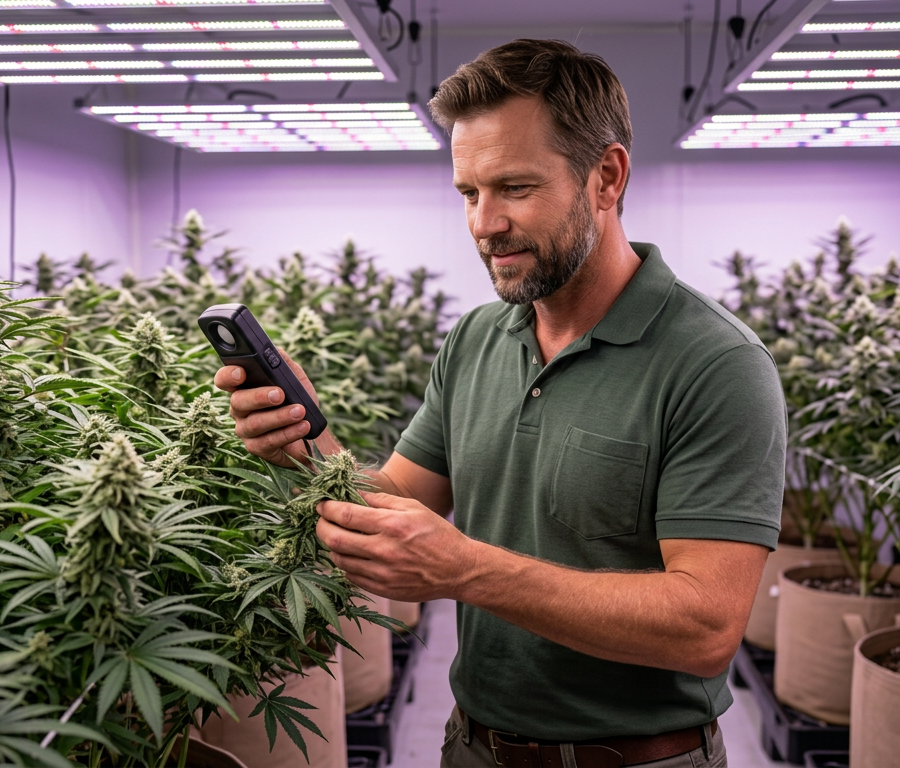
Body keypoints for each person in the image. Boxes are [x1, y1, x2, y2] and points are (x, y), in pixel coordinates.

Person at [215, 39, 786, 768]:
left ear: (606, 177)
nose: (484, 224)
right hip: (473, 747)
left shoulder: (716, 364)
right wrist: (305, 442)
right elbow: (397, 499)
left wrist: (465, 570)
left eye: (515, 188)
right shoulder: (477, 338)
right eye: (468, 193)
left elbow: (705, 626)